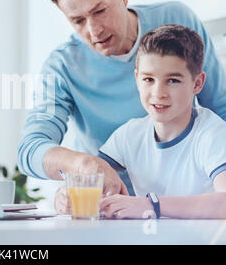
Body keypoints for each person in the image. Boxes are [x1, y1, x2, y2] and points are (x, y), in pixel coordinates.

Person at [17, 0, 226, 196]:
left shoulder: (177, 21)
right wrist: (81, 163)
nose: (94, 30)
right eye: (78, 21)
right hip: (108, 205)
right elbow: (30, 149)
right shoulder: (62, 67)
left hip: (182, 200)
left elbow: (221, 108)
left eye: (100, 11)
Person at [59, 24, 226, 218]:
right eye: (149, 80)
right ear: (137, 79)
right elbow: (91, 178)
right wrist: (64, 195)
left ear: (197, 83)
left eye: (172, 80)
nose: (158, 93)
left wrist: (152, 205)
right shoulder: (129, 135)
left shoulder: (213, 133)